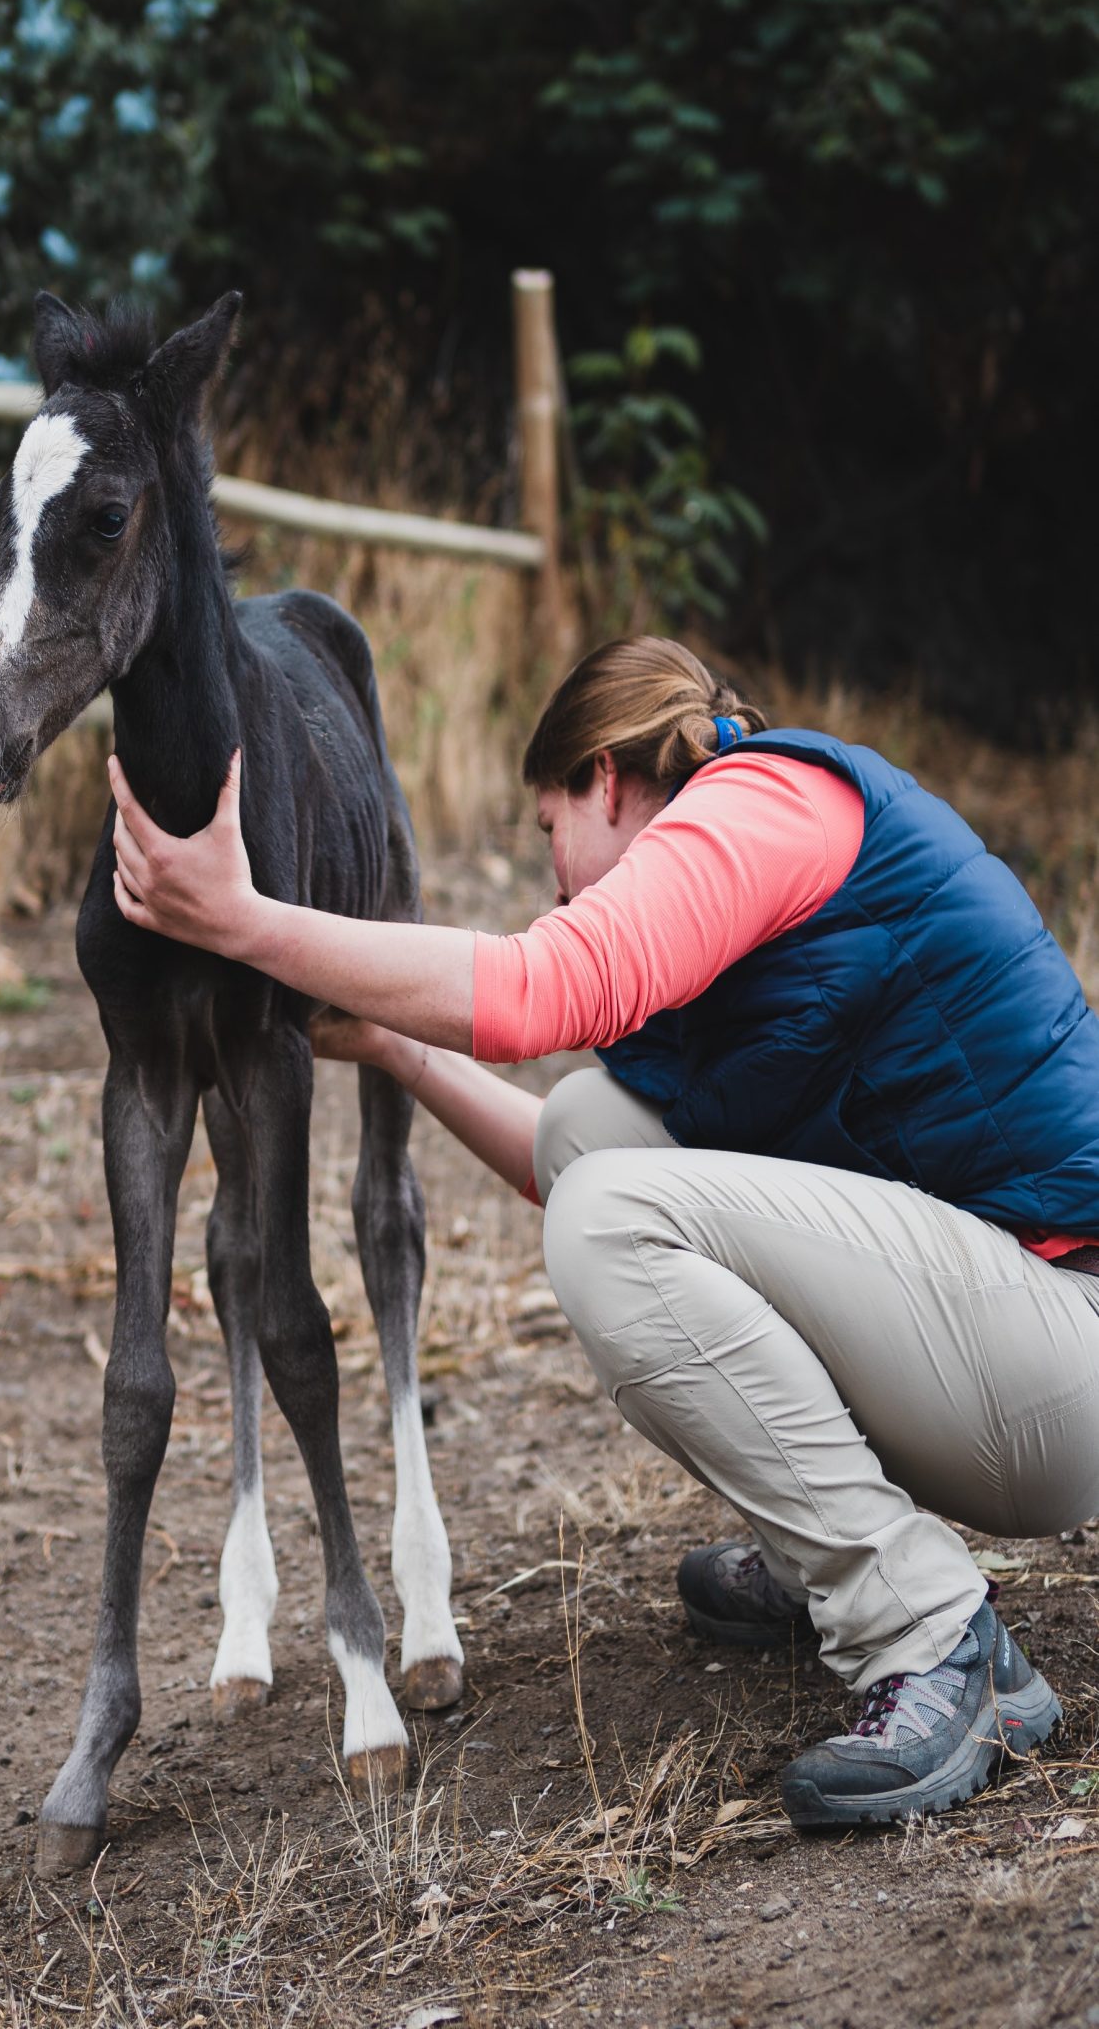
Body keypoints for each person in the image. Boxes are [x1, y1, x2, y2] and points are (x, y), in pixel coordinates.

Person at [104, 635, 1099, 1829]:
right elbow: (557, 1154)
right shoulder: (747, 905)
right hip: (1003, 1345)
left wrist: (246, 922)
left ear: (608, 780)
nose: (558, 876)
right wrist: (394, 1046)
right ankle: (822, 1548)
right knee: (592, 1132)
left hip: (1060, 1343)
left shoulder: (761, 806)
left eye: (547, 828)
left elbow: (540, 993)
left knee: (609, 1218)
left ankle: (938, 1641)